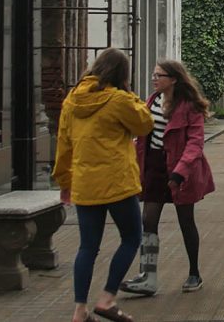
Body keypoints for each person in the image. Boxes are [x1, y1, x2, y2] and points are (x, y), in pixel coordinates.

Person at [53, 48, 153, 322]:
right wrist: (128, 92)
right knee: (131, 237)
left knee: (87, 247)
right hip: (118, 181)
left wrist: (64, 181)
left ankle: (79, 310)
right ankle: (107, 299)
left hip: (85, 183)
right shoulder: (119, 99)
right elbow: (144, 124)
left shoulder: (72, 100)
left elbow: (63, 145)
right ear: (122, 74)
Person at [121, 60, 216, 297]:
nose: (154, 79)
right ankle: (148, 276)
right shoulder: (152, 101)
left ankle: (194, 273)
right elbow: (143, 134)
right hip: (154, 166)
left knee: (186, 220)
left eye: (159, 75)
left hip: (179, 168)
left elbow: (195, 142)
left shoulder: (189, 106)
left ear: (173, 79)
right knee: (148, 220)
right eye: (154, 75)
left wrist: (180, 171)